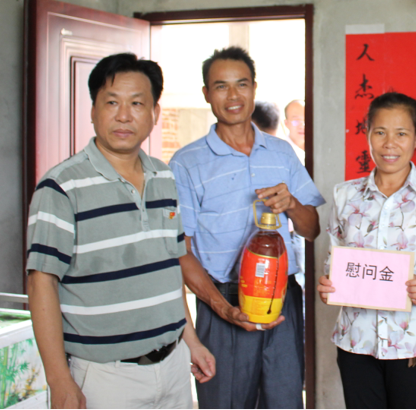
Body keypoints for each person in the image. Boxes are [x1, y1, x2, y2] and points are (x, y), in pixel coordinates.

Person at [26, 53, 215, 409]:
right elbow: (41, 284)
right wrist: (59, 379)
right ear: (93, 110)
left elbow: (168, 270)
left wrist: (191, 340)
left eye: (137, 104)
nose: (124, 115)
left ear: (155, 113)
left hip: (174, 366)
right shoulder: (61, 187)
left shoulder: (163, 176)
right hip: (105, 376)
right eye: (112, 102)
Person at [169, 46, 325, 409]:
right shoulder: (187, 163)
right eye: (220, 86)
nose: (233, 96)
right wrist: (223, 308)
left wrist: (292, 204)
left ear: (254, 88)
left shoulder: (281, 152)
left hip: (281, 299)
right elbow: (180, 251)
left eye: (241, 84)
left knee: (286, 401)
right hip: (223, 300)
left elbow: (312, 229)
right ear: (206, 93)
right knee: (225, 403)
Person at [317, 92, 416, 409]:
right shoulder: (346, 196)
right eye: (380, 132)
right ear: (367, 134)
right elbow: (335, 262)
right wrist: (328, 284)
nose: (390, 144)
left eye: (401, 133)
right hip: (356, 341)